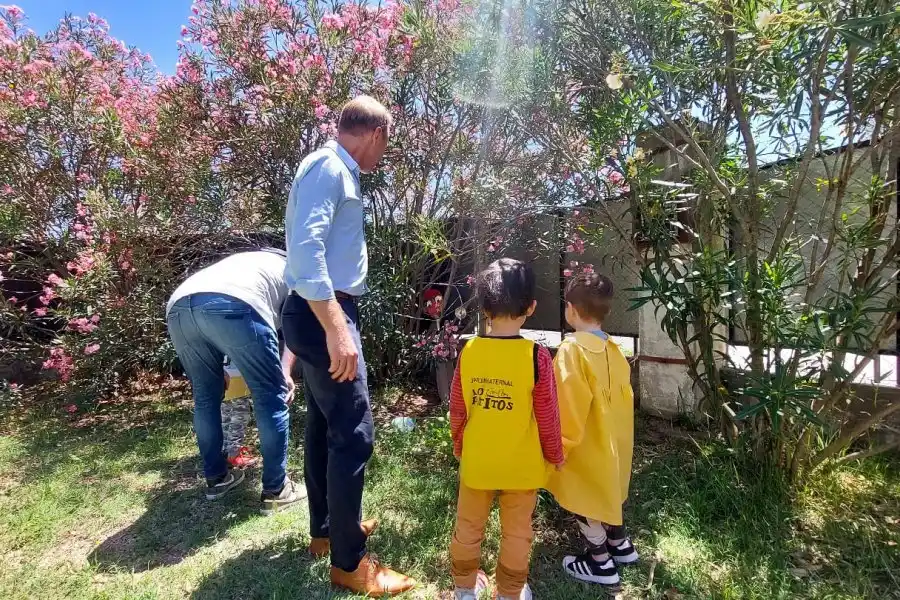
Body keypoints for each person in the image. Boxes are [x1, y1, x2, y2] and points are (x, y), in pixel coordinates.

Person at [282, 95, 415, 596]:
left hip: (318, 311)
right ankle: (350, 563)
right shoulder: (329, 168)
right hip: (324, 312)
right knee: (354, 434)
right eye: (387, 142)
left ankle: (327, 532)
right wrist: (338, 328)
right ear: (376, 133)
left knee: (324, 425)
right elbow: (307, 250)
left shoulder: (333, 170)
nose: (384, 152)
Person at [448, 258, 565, 600]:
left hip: (478, 463)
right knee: (517, 534)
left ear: (484, 308)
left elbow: (458, 409)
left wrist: (459, 445)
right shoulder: (536, 357)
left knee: (468, 528)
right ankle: (510, 592)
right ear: (531, 307)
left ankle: (464, 589)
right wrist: (555, 454)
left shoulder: (469, 351)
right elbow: (548, 414)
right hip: (522, 468)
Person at [166, 249, 304, 514]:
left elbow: (207, 306)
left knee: (206, 398)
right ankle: (276, 490)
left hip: (179, 307)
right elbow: (296, 328)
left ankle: (217, 479)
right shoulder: (294, 271)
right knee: (270, 396)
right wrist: (285, 372)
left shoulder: (243, 262)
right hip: (236, 303)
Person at [547, 272, 638, 587]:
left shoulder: (572, 350)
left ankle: (600, 561)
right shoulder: (614, 348)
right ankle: (620, 545)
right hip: (615, 443)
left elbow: (567, 404)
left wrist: (559, 446)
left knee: (583, 497)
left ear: (571, 310)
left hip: (586, 445)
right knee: (608, 491)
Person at [222, 358, 257, 469]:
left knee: (225, 414)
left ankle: (224, 450)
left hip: (220, 374)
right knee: (239, 416)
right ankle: (233, 453)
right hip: (237, 375)